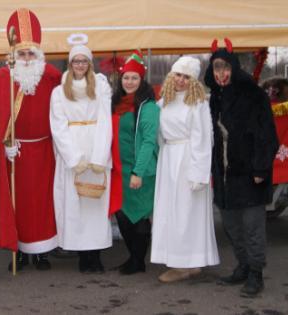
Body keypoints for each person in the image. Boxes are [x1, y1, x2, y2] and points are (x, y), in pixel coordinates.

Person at [204, 41, 279, 297]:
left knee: (252, 227)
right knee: (232, 225)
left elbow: (266, 134)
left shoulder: (252, 94)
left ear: (233, 69)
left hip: (249, 174)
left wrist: (260, 168)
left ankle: (256, 274)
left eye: (225, 69)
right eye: (216, 69)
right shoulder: (214, 97)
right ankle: (243, 267)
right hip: (225, 176)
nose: (221, 74)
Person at [0, 8, 62, 271]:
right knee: (17, 202)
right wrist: (5, 144)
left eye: (31, 53)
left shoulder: (52, 76)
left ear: (40, 54)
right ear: (13, 54)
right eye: (21, 53)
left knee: (44, 202)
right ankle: (18, 250)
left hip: (44, 150)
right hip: (16, 154)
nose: (27, 58)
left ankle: (43, 252)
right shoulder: (2, 78)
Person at [150, 56, 220, 282]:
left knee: (187, 213)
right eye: (178, 75)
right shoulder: (163, 103)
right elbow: (159, 136)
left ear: (193, 80)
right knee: (171, 212)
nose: (181, 80)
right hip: (169, 160)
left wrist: (199, 173)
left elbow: (203, 139)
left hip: (188, 162)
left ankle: (185, 264)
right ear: (171, 75)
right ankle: (184, 262)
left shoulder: (198, 104)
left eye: (186, 77)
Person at [50, 40, 112, 273]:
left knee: (95, 205)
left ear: (89, 63)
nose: (80, 64)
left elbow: (105, 120)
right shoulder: (59, 91)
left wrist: (99, 156)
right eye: (76, 60)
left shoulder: (101, 86)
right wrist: (74, 159)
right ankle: (81, 255)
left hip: (96, 144)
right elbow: (58, 125)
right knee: (75, 204)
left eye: (84, 60)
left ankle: (94, 256)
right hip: (72, 151)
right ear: (70, 63)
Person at [109, 51, 159, 275]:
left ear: (142, 80)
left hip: (139, 169)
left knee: (138, 215)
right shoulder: (116, 103)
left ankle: (138, 261)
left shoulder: (147, 107)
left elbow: (149, 141)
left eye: (134, 78)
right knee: (122, 213)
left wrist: (138, 171)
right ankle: (133, 257)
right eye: (126, 78)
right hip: (120, 169)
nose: (129, 82)